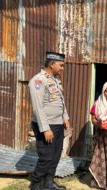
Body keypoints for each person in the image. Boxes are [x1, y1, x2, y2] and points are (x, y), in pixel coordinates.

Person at [29, 52, 70, 190]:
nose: (62, 68)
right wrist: (45, 128)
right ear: (52, 64)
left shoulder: (55, 80)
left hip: (58, 124)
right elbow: (37, 107)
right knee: (46, 157)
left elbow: (60, 101)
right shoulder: (38, 80)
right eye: (61, 65)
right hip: (46, 125)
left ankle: (48, 183)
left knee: (55, 156)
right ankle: (36, 185)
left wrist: (65, 117)